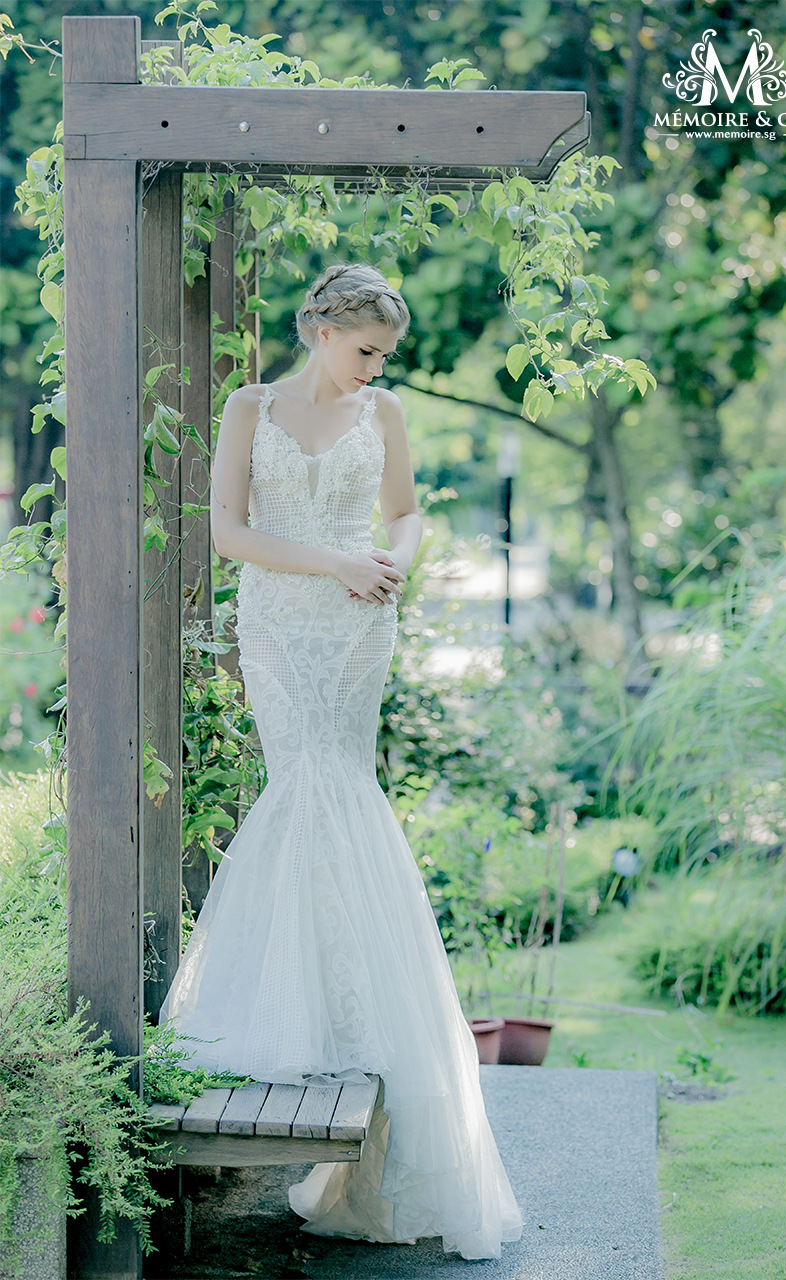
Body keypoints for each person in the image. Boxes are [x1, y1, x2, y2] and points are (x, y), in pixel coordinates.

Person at [159, 262, 523, 1259]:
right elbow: (230, 533)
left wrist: (394, 557)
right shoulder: (250, 405)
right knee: (302, 787)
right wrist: (336, 559)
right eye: (365, 349)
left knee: (341, 787)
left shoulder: (387, 412)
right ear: (319, 326)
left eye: (384, 356)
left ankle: (358, 1021)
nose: (375, 368)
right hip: (281, 617)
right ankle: (295, 1015)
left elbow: (403, 513)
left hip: (361, 623)